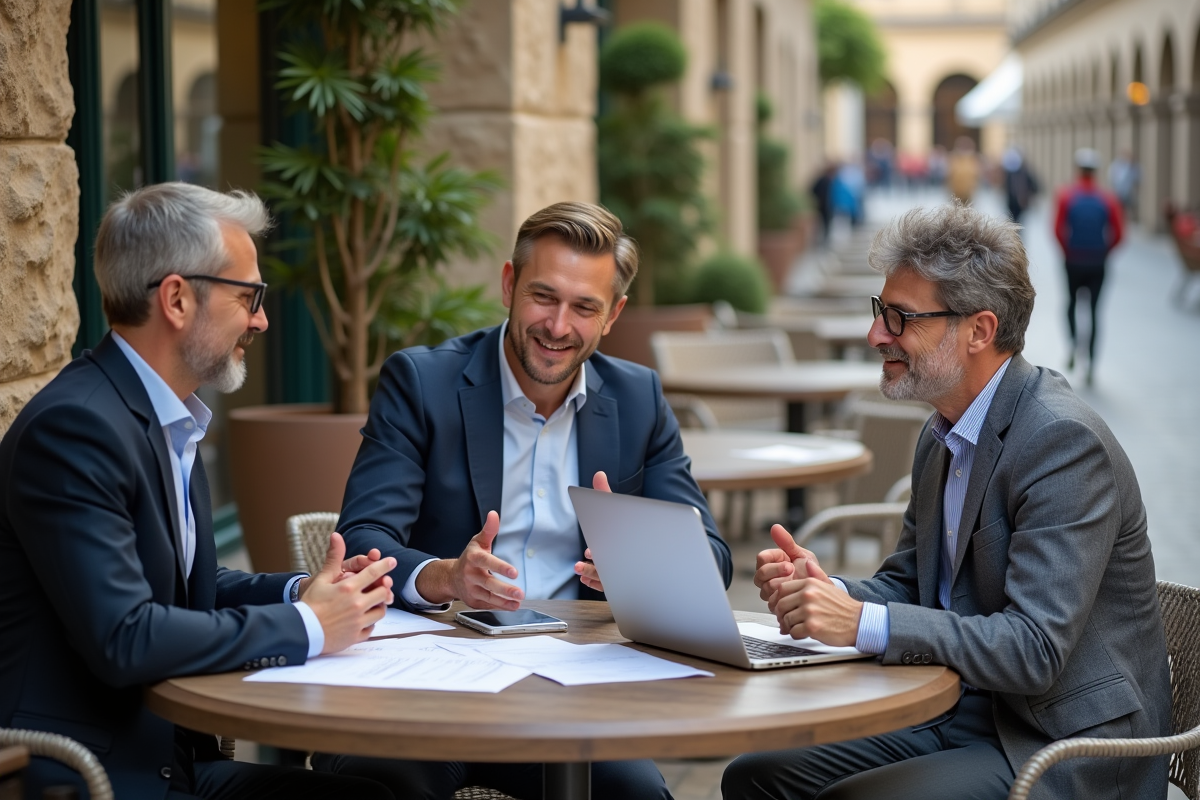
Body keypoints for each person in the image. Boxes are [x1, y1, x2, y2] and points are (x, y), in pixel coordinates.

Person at [721, 202, 1170, 800]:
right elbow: (909, 585)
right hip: (967, 711)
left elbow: (1034, 650)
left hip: (1063, 742)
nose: (876, 333)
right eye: (881, 310)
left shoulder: (1062, 444)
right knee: (756, 776)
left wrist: (860, 623)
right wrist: (829, 592)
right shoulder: (943, 434)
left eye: (901, 317)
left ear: (979, 331)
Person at [313, 201, 732, 800]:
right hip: (428, 684)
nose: (558, 326)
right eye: (543, 297)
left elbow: (712, 555)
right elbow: (363, 539)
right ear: (509, 285)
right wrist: (444, 576)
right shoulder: (421, 383)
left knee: (637, 796)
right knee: (382, 787)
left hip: (572, 691)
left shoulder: (638, 399)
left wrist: (641, 567)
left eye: (584, 306)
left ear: (611, 315)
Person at [0, 183, 399, 800]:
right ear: (178, 298)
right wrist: (309, 624)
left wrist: (309, 593)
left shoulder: (164, 417)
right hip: (95, 775)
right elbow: (126, 636)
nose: (262, 319)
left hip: (170, 759)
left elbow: (188, 588)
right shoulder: (75, 429)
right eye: (249, 296)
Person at [1053, 147, 1123, 384]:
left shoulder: (1066, 195)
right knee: (1094, 311)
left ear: (1078, 169)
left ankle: (1073, 344)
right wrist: (1105, 252)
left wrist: (1067, 250)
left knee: (1071, 304)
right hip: (1097, 261)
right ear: (1096, 172)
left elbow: (1057, 229)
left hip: (1073, 260)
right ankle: (1091, 364)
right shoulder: (1107, 199)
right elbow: (1120, 233)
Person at [1000, 146, 1039, 223]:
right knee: (1013, 223)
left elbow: (1036, 187)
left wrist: (1028, 195)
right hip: (1011, 204)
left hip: (1021, 205)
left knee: (1018, 224)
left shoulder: (1025, 172)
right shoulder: (1009, 172)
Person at [945, 136, 981, 204]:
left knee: (968, 210)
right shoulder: (953, 158)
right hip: (956, 191)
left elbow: (976, 175)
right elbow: (949, 175)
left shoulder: (973, 159)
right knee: (956, 211)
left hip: (968, 191)